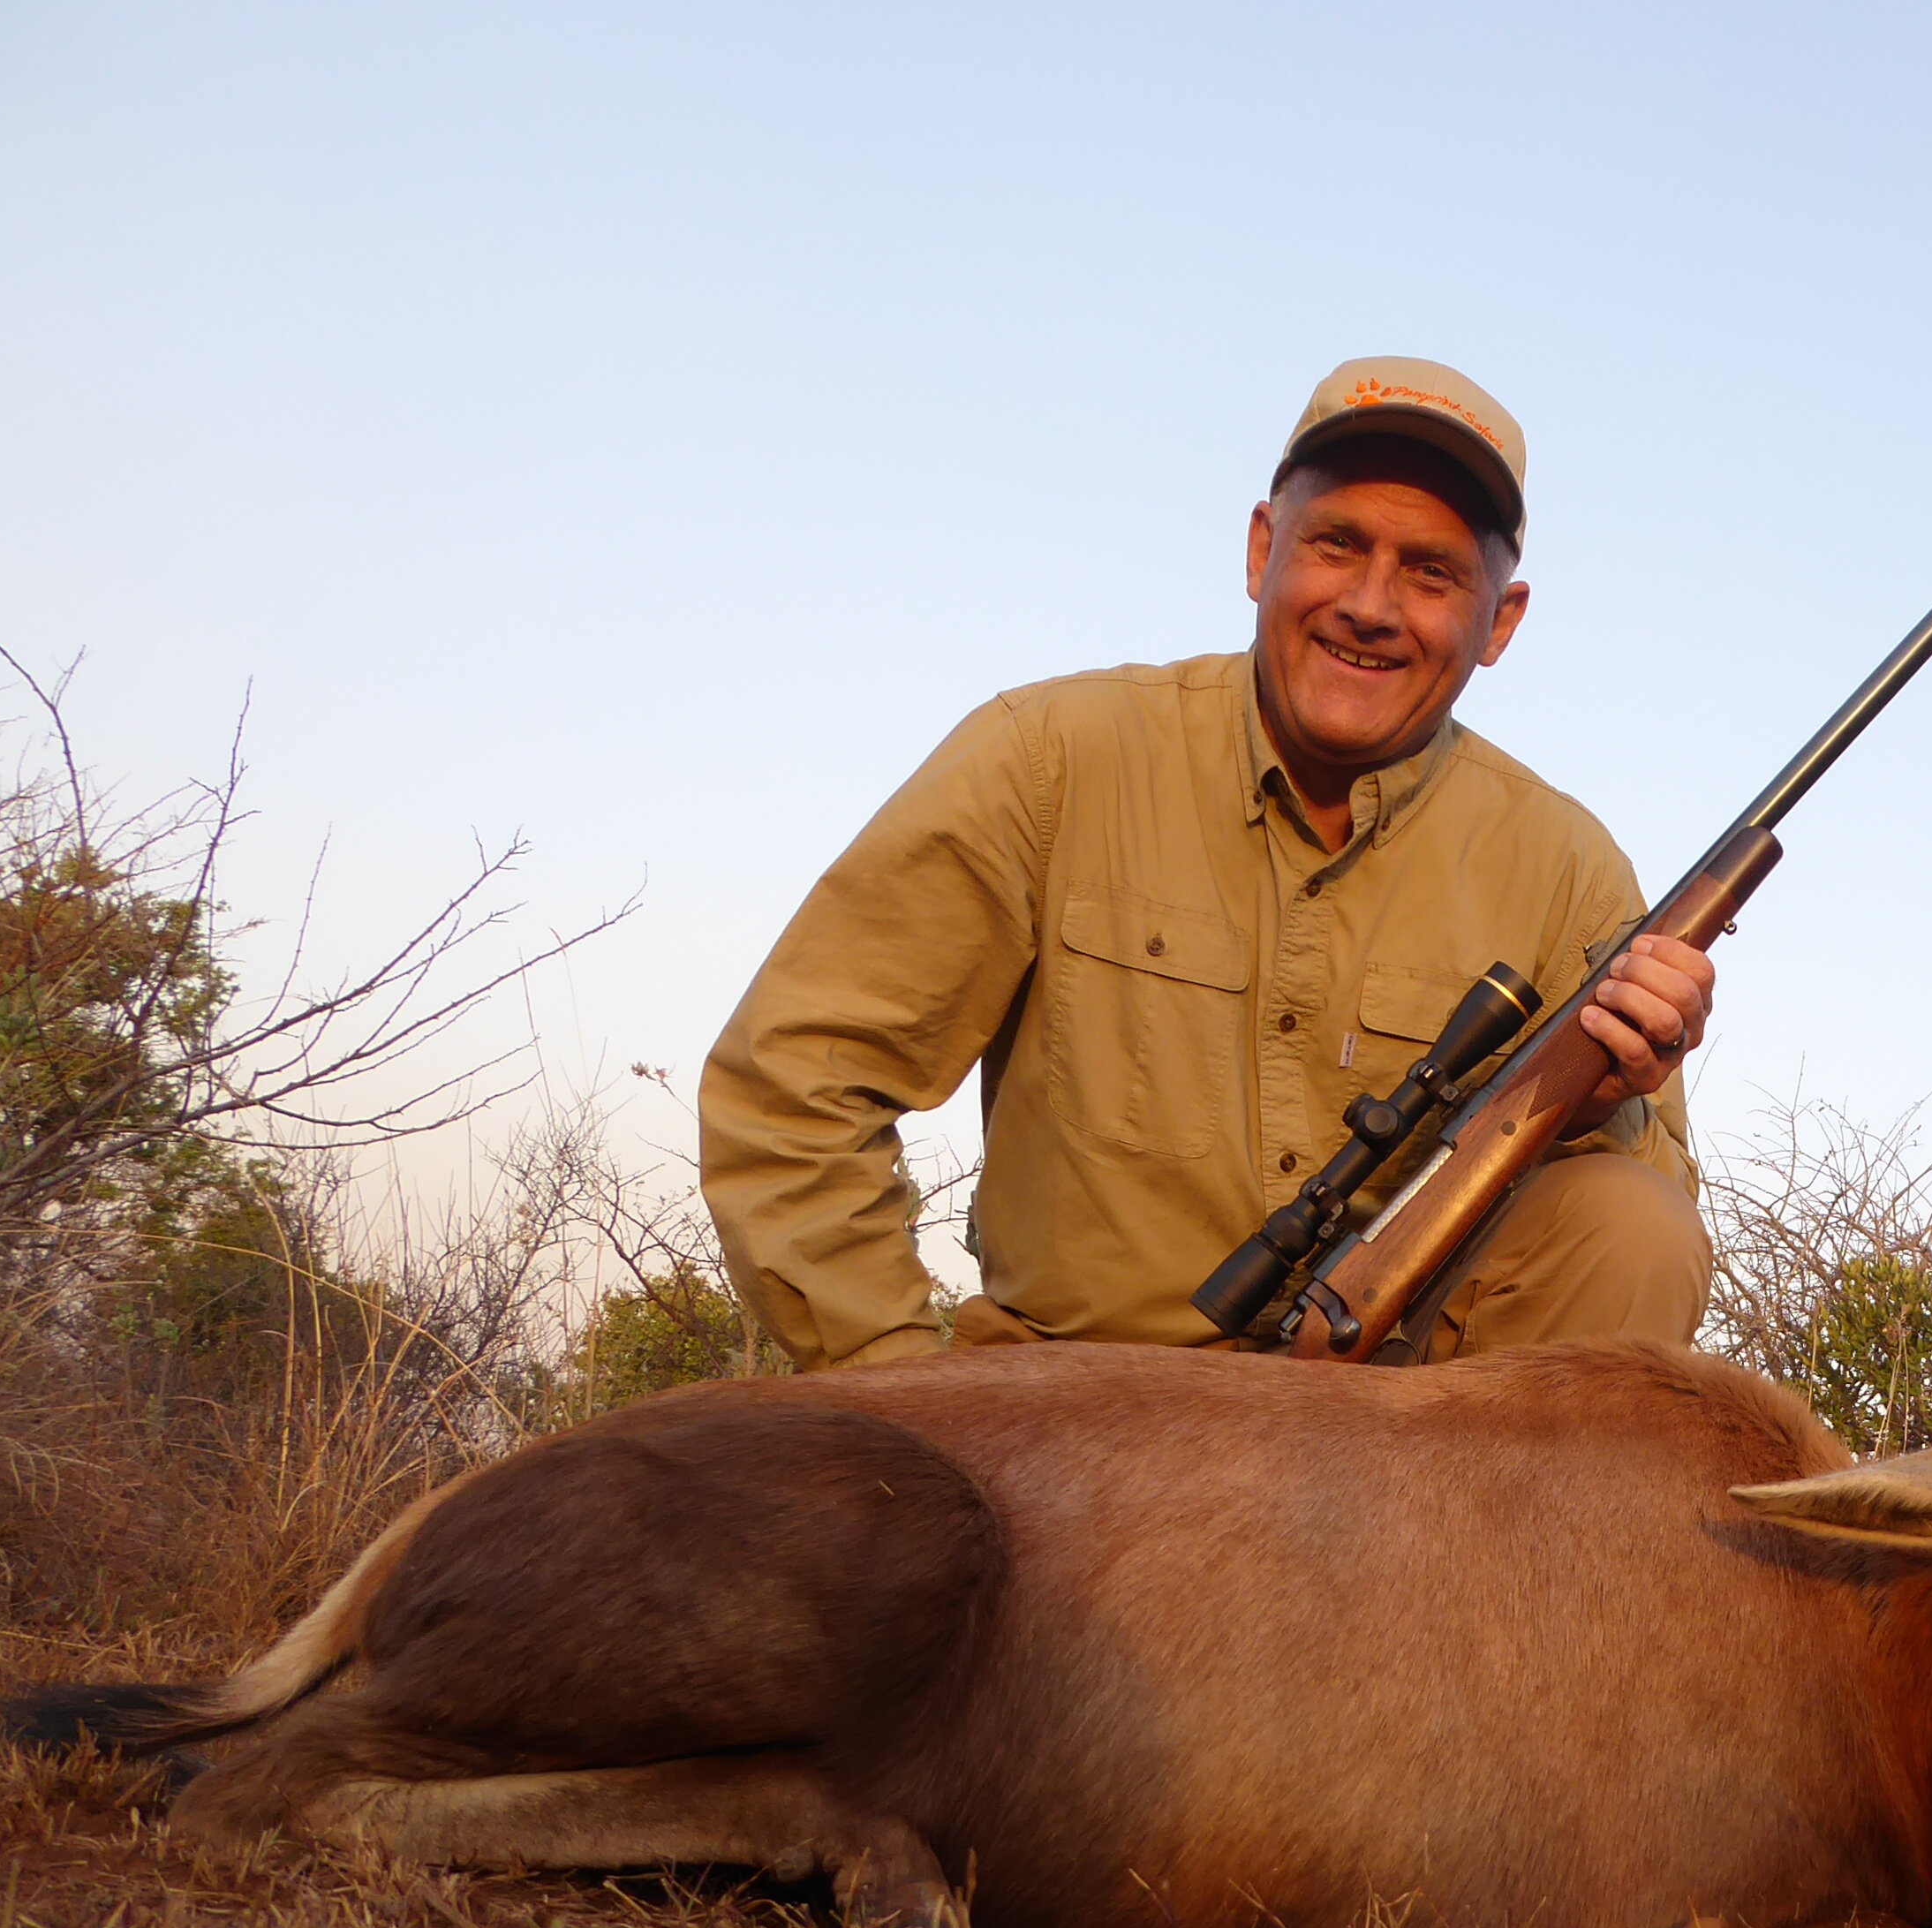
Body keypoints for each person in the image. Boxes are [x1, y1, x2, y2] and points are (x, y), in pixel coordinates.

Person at [700, 356, 1717, 1370]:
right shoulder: (1049, 755)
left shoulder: (1572, 868)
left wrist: (1598, 1108)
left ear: (1499, 622)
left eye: (1431, 572)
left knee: (1634, 1221)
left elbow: (1637, 1236)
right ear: (1261, 549)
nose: (1370, 605)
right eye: (1336, 544)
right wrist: (901, 1400)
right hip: (1064, 1416)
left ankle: (1486, 1538)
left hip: (1395, 1451)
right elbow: (794, 1086)